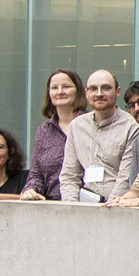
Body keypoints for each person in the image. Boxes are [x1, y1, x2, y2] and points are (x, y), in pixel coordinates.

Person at [61, 69, 139, 202]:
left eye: (106, 88)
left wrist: (108, 209)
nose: (99, 94)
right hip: (83, 208)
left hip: (118, 207)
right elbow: (70, 175)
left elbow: (125, 178)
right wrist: (72, 208)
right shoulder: (77, 126)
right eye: (93, 89)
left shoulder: (132, 127)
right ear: (86, 93)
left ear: (117, 91)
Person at [26, 69, 82, 201]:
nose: (60, 92)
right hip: (52, 206)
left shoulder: (92, 123)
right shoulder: (44, 131)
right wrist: (30, 190)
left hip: (87, 206)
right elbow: (36, 174)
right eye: (54, 88)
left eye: (66, 86)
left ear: (78, 90)